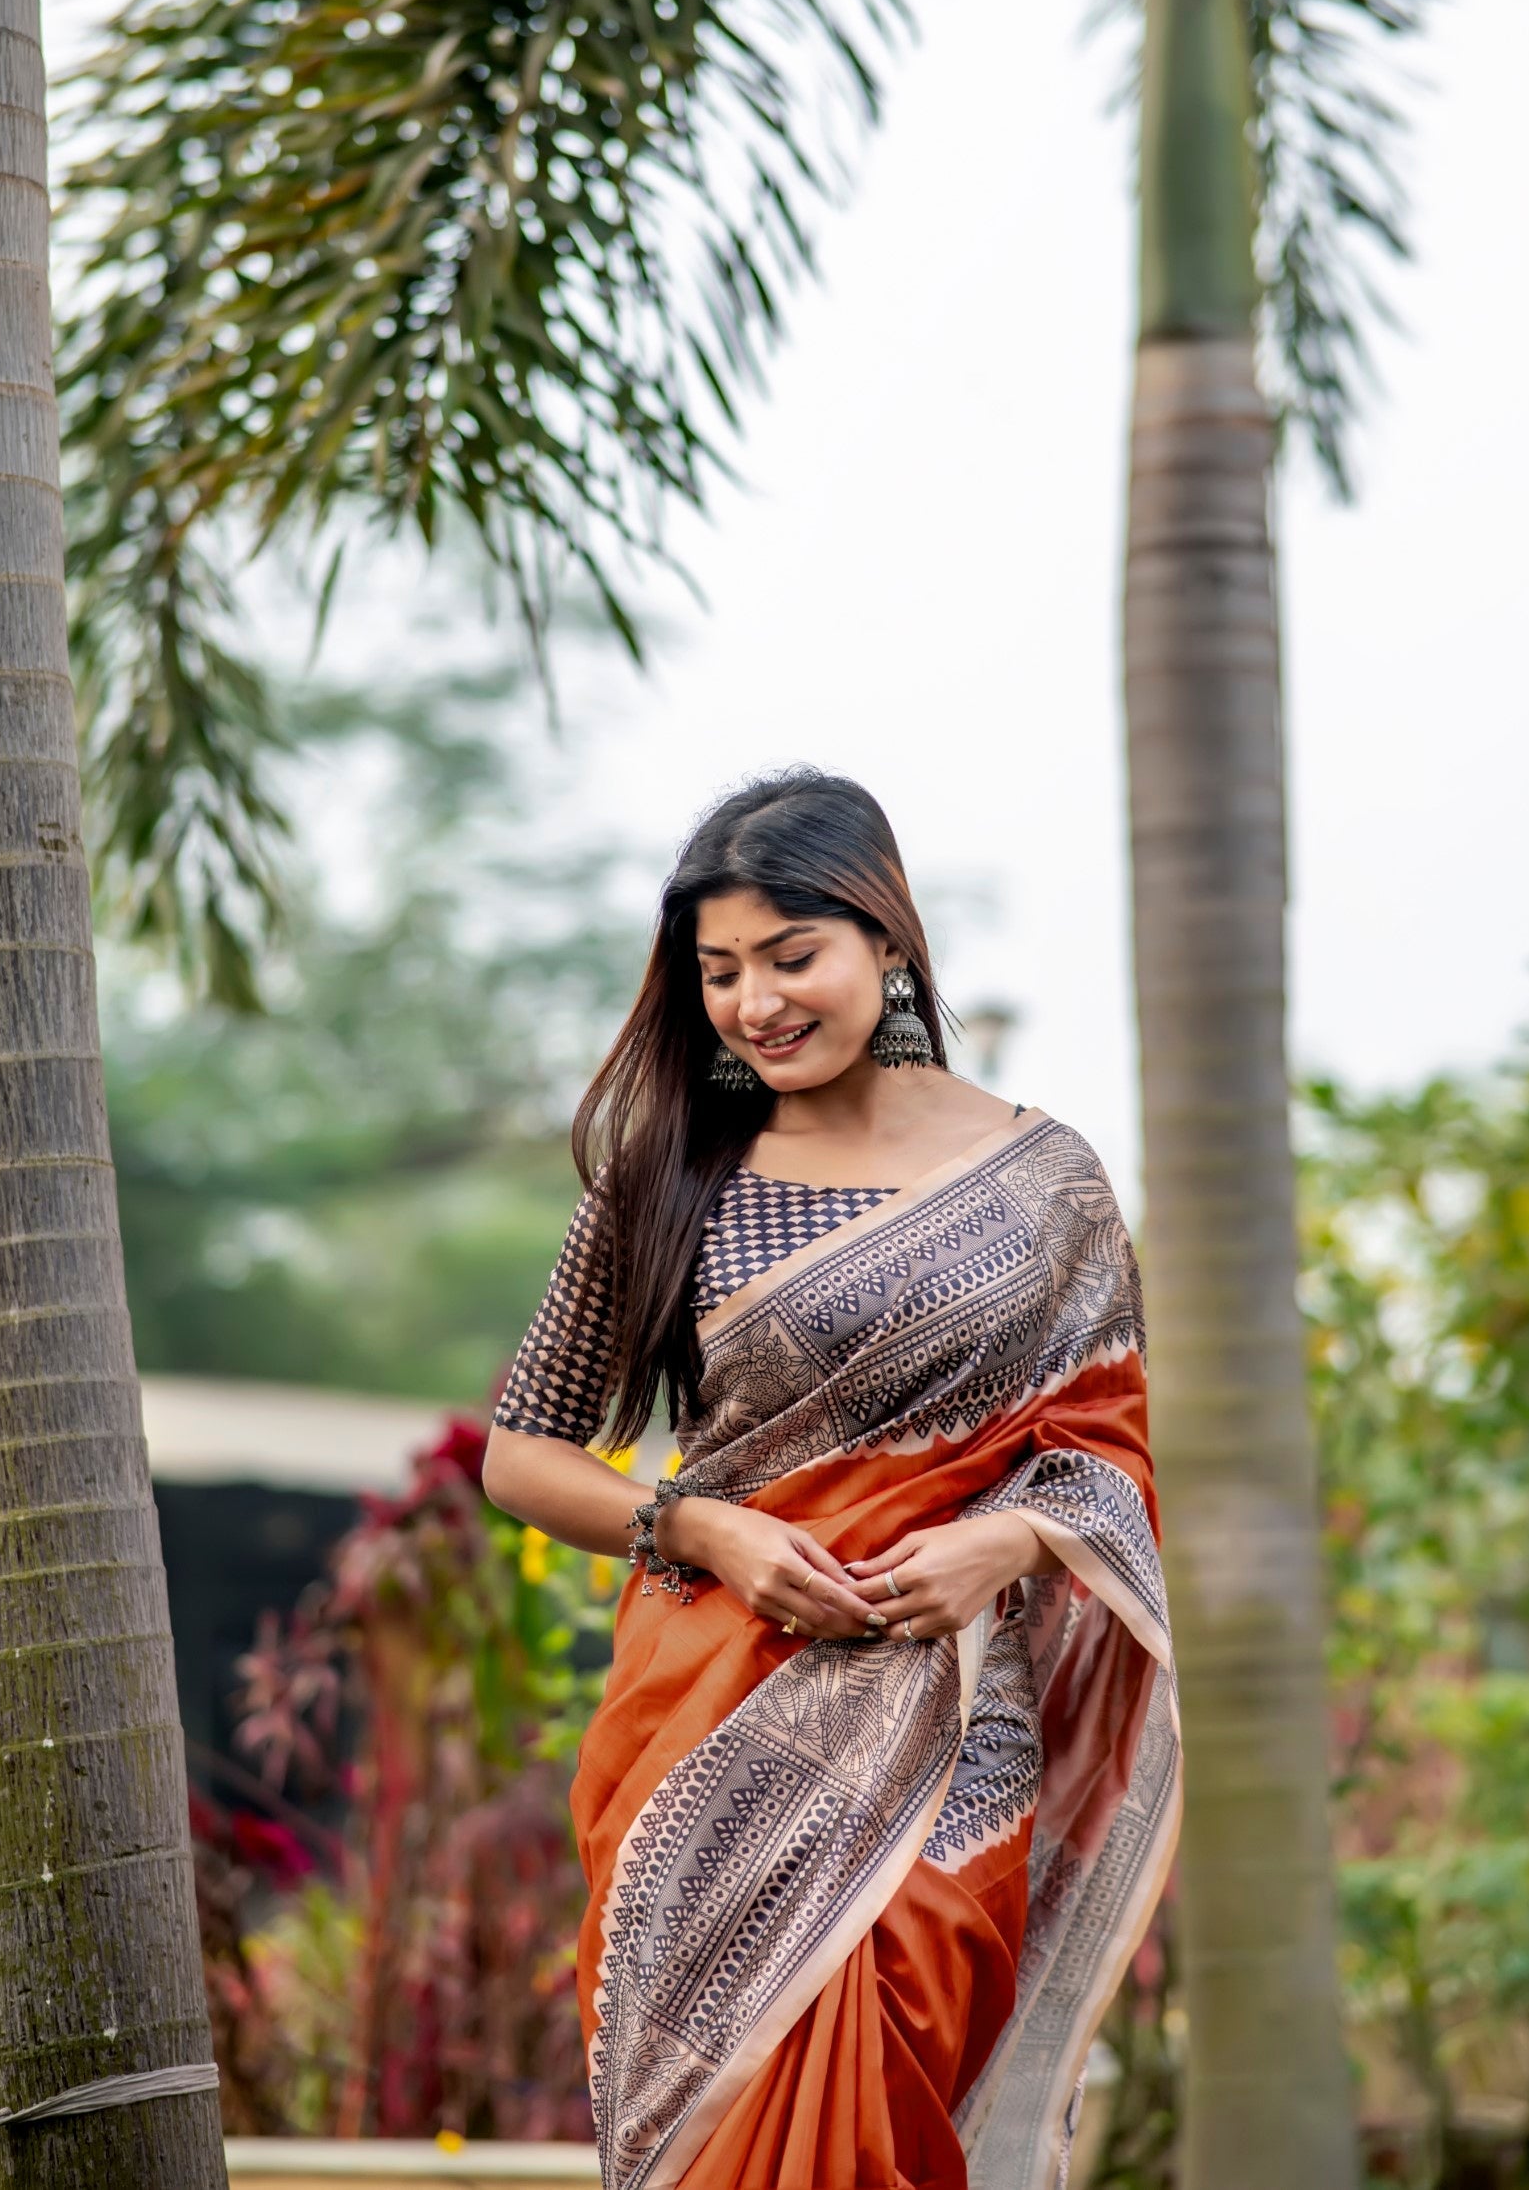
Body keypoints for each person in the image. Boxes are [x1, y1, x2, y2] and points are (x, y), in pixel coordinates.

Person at [483, 769, 1179, 2190]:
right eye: (720, 971)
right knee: (728, 2117)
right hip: (715, 1716)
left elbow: (1106, 1443)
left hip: (956, 1719)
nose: (754, 1004)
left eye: (791, 958)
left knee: (905, 2049)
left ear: (885, 940)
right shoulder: (670, 1172)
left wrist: (1009, 1545)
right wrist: (703, 1529)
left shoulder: (1044, 1181)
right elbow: (520, 1452)